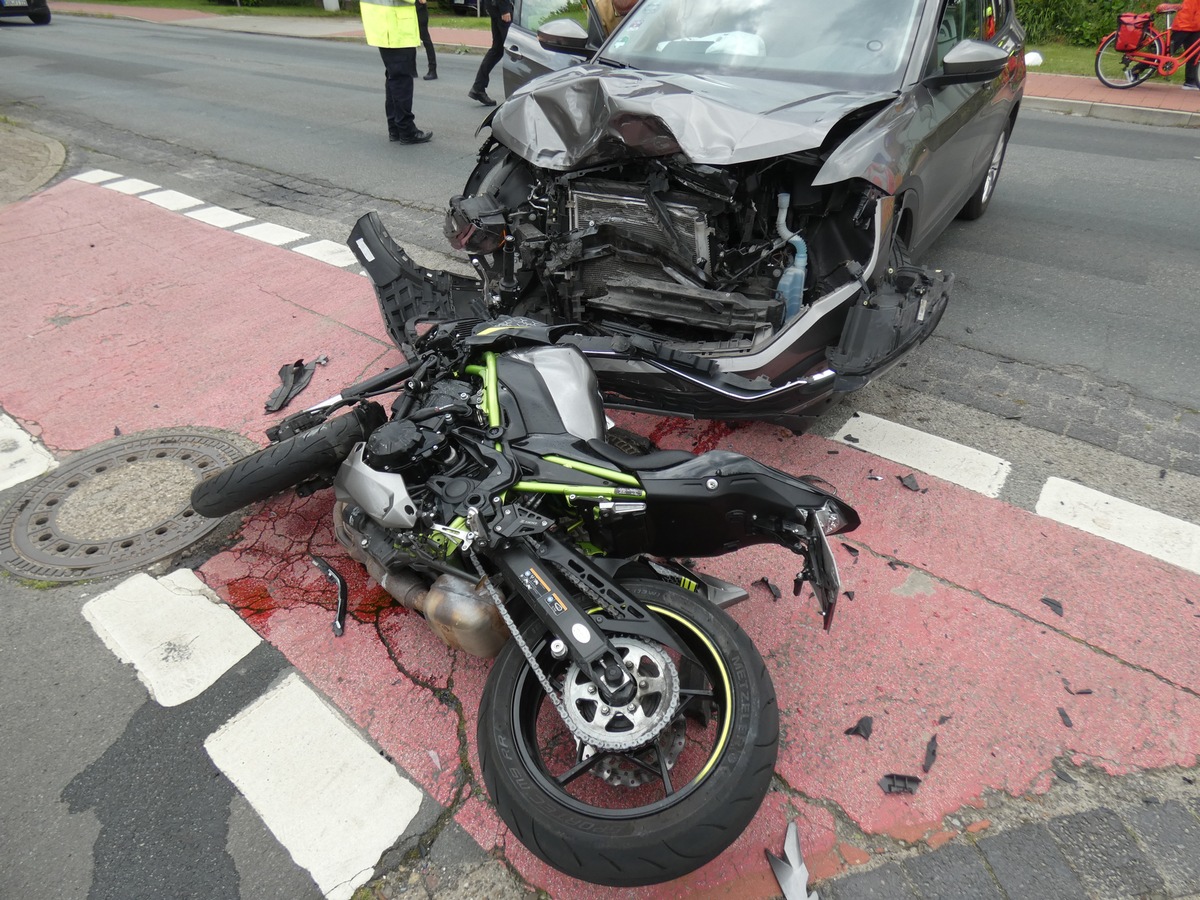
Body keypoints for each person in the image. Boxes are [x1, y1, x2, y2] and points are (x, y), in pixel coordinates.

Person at [360, 0, 433, 144]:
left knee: (394, 77)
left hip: (385, 23)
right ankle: (406, 130)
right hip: (395, 26)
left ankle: (395, 128)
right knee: (401, 79)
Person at [469, 0, 513, 107]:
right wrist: (505, 9)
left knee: (497, 50)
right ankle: (517, 95)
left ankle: (478, 87)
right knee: (513, 50)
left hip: (494, 6)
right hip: (500, 8)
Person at [1173, 0, 1200, 89]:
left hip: (1194, 27)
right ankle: (1136, 70)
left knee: (1194, 55)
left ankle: (1190, 81)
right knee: (1165, 52)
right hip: (1183, 25)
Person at [416, 0, 437, 81]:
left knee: (426, 40)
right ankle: (412, 69)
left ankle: (432, 69)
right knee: (410, 40)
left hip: (420, 10)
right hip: (411, 12)